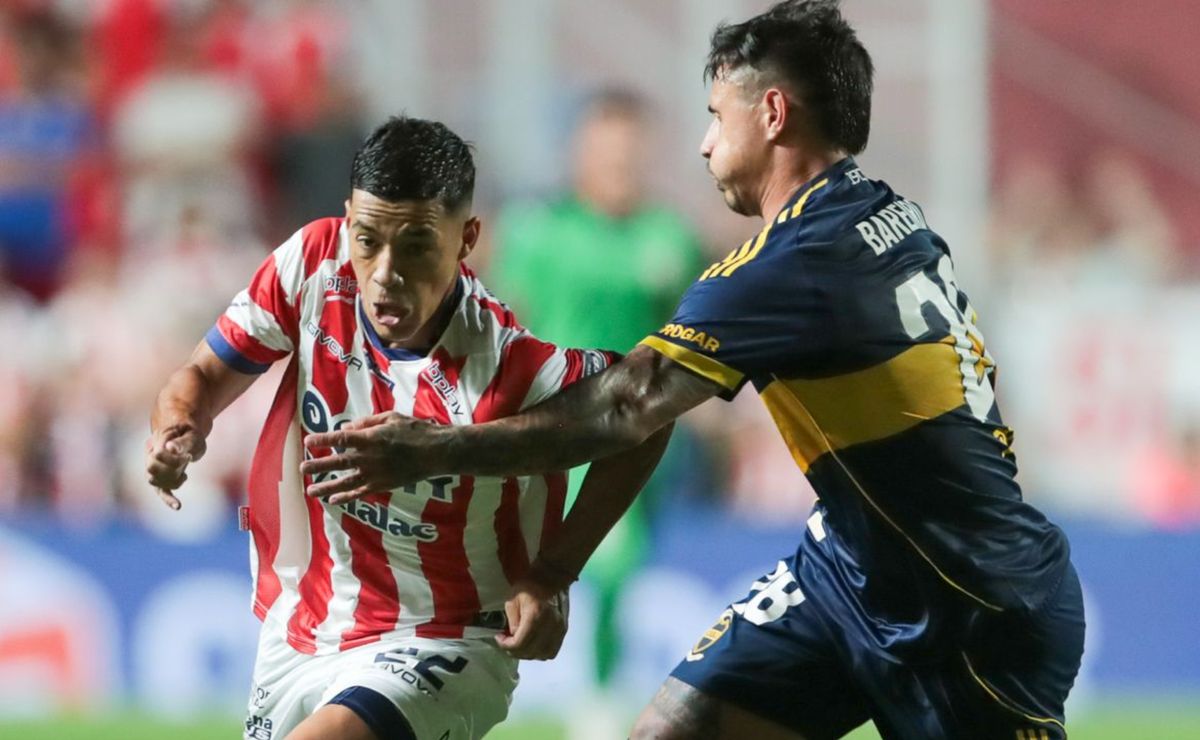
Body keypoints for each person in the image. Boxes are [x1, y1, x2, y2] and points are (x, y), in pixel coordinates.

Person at [300, 2, 1086, 739]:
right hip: (846, 571)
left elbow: (624, 407)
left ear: (772, 115)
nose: (705, 145)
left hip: (971, 607)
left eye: (717, 118)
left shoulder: (789, 265)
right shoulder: (883, 213)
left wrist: (431, 448)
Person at [145, 116, 670, 740]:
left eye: (417, 245)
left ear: (466, 238)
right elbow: (200, 374)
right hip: (304, 625)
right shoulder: (313, 262)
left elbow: (647, 409)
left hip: (444, 639)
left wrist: (553, 573)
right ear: (347, 220)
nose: (386, 271)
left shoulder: (507, 363)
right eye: (368, 240)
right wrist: (181, 425)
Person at [490, 88, 706, 695]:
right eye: (608, 152)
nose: (621, 166)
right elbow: (509, 324)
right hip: (550, 427)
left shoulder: (669, 238)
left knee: (618, 564)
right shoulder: (537, 233)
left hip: (637, 432)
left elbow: (692, 341)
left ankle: (594, 693)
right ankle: (579, 692)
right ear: (580, 153)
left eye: (631, 153)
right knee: (592, 559)